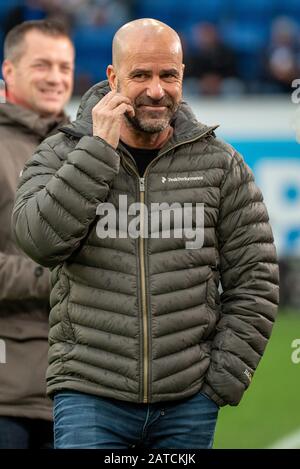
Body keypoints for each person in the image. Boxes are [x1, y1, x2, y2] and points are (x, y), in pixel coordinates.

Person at [12, 18, 279, 449]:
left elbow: (257, 280)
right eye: (140, 75)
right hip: (89, 396)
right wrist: (98, 151)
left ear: (182, 76)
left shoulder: (220, 163)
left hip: (188, 402)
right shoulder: (62, 150)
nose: (156, 89)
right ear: (113, 78)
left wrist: (222, 380)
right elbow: (39, 242)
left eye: (167, 75)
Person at [0, 19, 74, 448]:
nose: (56, 77)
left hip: (79, 392)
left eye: (64, 67)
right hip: (8, 398)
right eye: (42, 65)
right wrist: (58, 278)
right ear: (9, 71)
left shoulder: (89, 147)